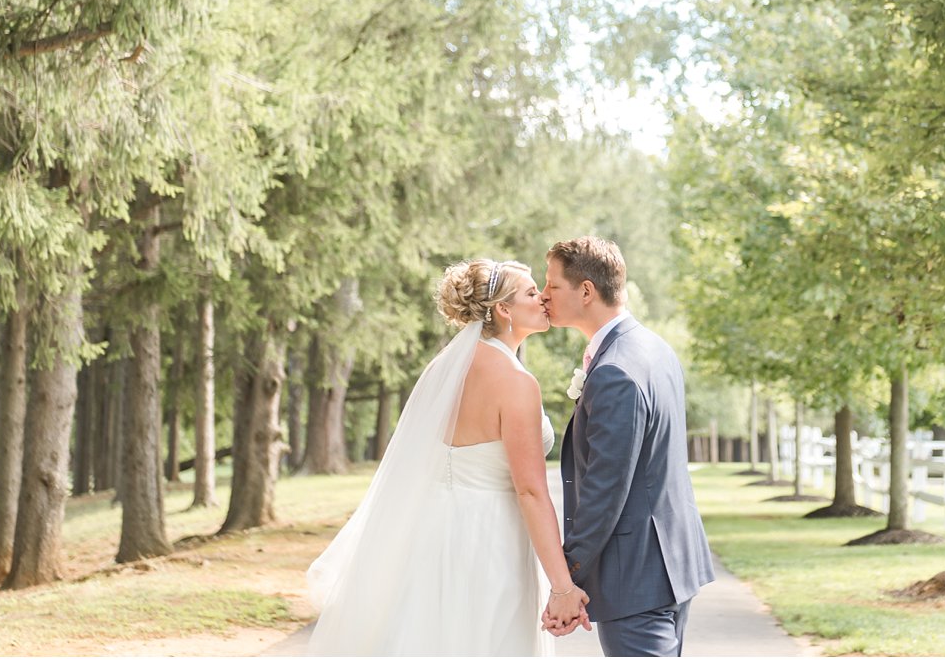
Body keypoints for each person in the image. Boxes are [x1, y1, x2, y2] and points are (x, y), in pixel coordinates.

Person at [305, 259, 589, 655]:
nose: (542, 298)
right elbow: (530, 491)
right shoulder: (516, 383)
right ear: (504, 310)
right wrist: (562, 586)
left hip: (433, 533)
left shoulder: (448, 369)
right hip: (492, 541)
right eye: (529, 293)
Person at [540, 236, 715, 657]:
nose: (543, 295)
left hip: (637, 576)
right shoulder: (654, 348)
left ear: (586, 291)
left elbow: (605, 489)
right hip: (670, 564)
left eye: (552, 285)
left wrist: (569, 579)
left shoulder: (615, 370)